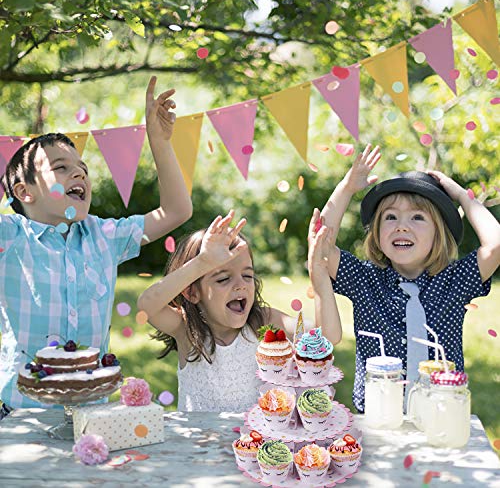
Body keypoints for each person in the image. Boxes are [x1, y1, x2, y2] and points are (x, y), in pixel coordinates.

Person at [0, 76, 193, 415]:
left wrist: (159, 141)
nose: (79, 175)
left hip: (91, 413)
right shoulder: (11, 236)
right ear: (24, 192)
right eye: (61, 168)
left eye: (83, 169)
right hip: (19, 412)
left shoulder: (104, 236)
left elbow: (176, 210)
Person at [317, 144, 499, 413]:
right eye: (390, 217)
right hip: (379, 413)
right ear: (377, 233)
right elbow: (320, 242)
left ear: (439, 233)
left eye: (417, 217)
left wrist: (461, 195)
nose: (402, 225)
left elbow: (495, 245)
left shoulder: (454, 281)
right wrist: (346, 188)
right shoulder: (365, 280)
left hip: (442, 411)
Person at [137, 209, 340, 412]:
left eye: (248, 276)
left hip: (256, 442)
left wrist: (319, 275)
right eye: (223, 278)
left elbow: (326, 338)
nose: (240, 285)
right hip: (198, 442)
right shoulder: (187, 331)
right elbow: (147, 306)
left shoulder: (264, 322)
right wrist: (202, 263)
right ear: (192, 293)